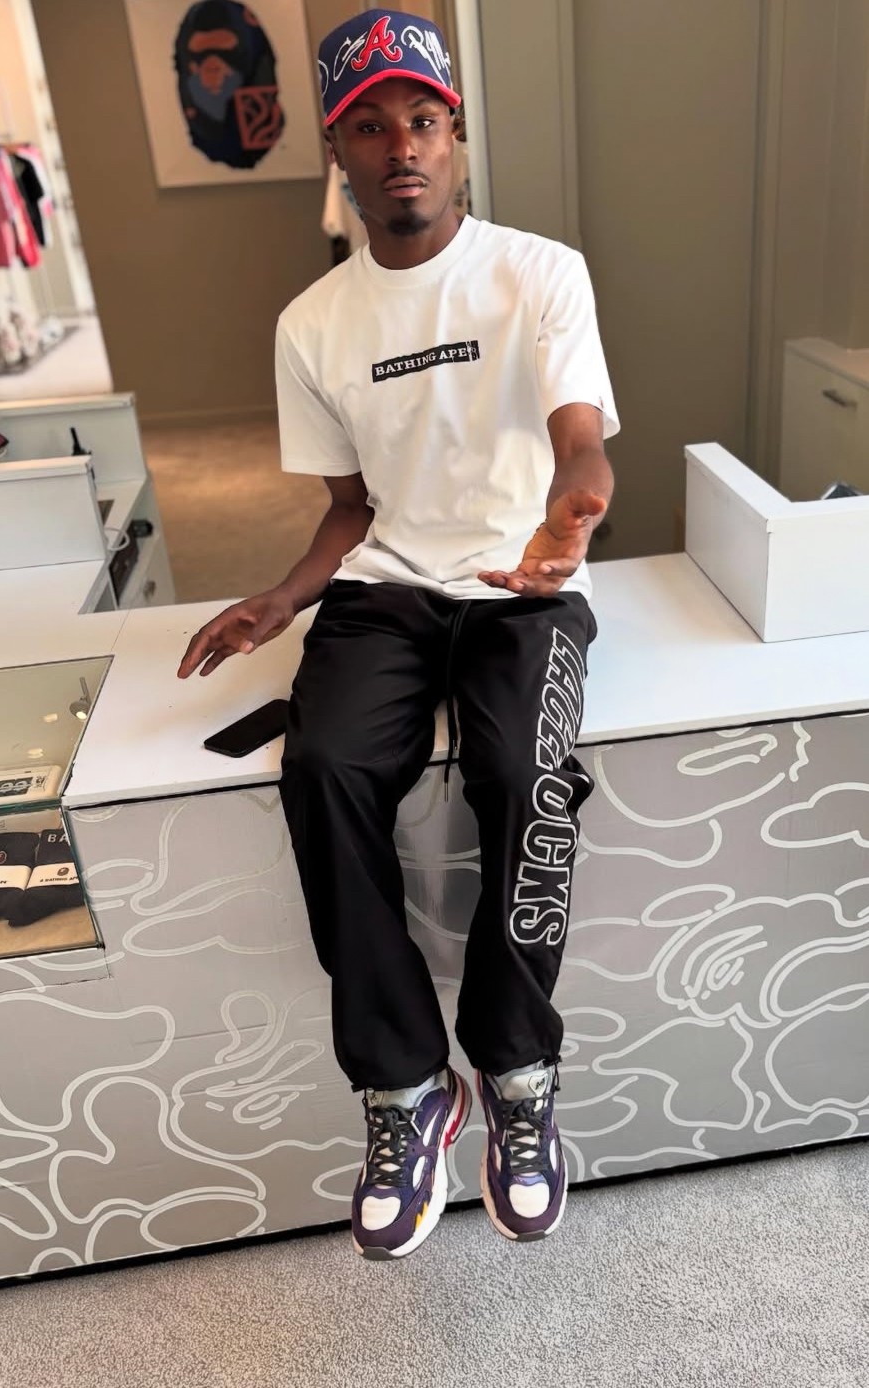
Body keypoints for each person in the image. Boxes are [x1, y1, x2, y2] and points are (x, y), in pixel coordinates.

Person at [178, 8, 618, 1262]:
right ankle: (405, 1087)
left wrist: (573, 504)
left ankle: (516, 1071)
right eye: (370, 127)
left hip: (520, 582)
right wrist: (282, 594)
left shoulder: (539, 271)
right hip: (385, 586)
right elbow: (348, 511)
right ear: (340, 152)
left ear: (456, 136)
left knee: (524, 776)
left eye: (421, 120)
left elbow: (580, 431)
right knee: (322, 768)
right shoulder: (312, 323)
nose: (400, 147)